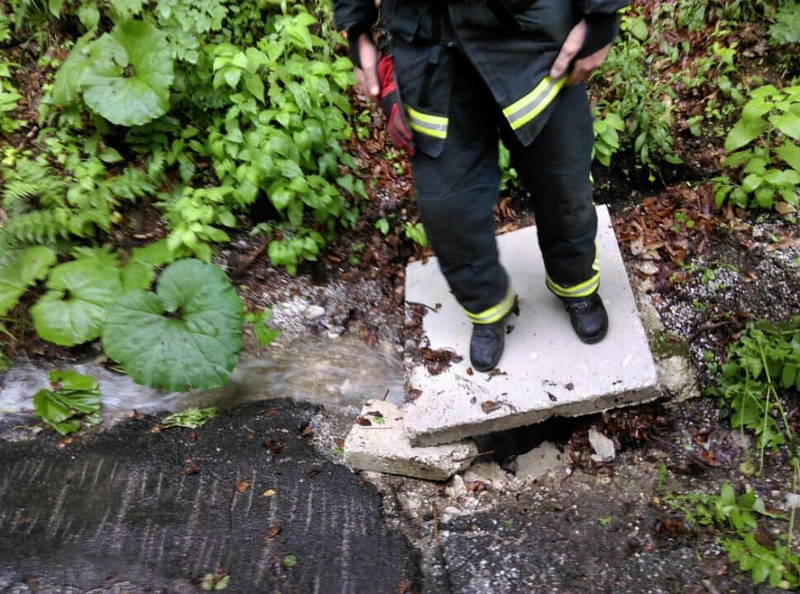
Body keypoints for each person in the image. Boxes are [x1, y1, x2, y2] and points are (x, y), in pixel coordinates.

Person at [334, 0, 629, 372]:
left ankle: (577, 286)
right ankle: (487, 310)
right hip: (429, 50)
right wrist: (357, 29)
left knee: (563, 185)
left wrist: (601, 17)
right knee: (448, 209)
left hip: (533, 37)